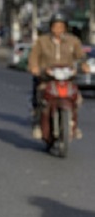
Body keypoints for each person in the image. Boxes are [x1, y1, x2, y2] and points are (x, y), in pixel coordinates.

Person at [27, 12, 86, 140]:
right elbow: (33, 57)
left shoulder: (73, 41)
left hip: (67, 77)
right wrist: (34, 67)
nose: (58, 29)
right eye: (55, 26)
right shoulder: (42, 41)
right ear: (51, 27)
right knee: (39, 96)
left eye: (61, 26)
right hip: (47, 77)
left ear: (65, 27)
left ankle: (73, 125)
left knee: (77, 98)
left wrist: (84, 65)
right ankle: (37, 123)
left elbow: (80, 56)